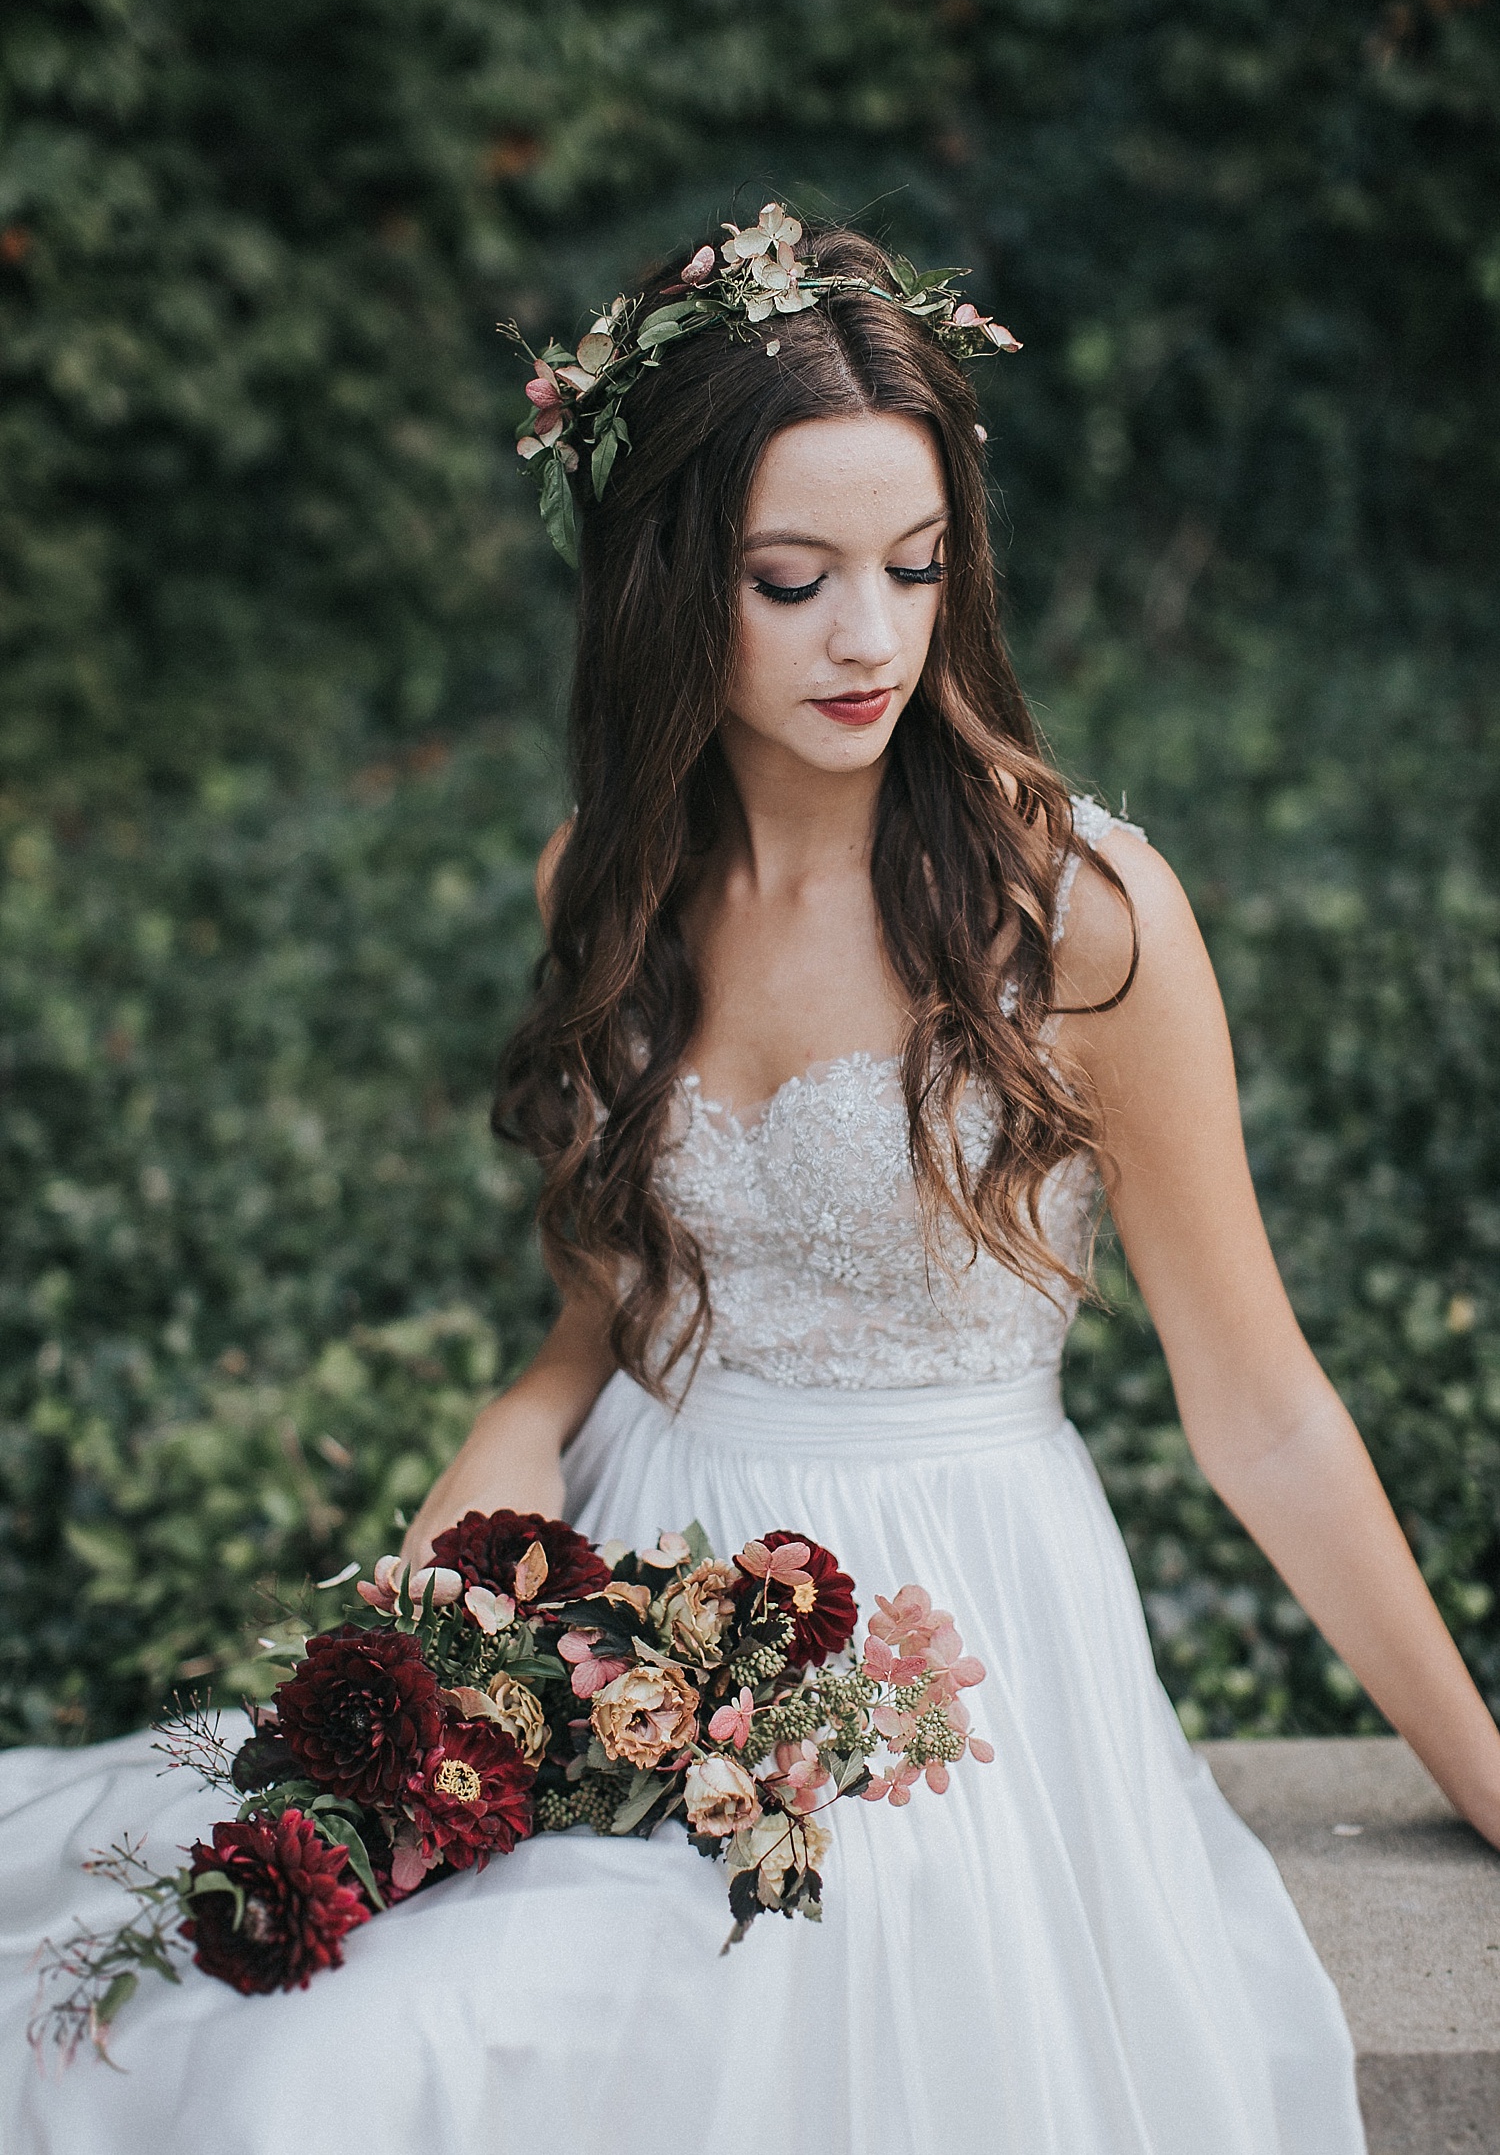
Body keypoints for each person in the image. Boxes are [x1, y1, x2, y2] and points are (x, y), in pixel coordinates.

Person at [4, 214, 1499, 2155]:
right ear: (666, 580)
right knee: (278, 2022)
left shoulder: (1083, 923)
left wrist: (1474, 1760)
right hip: (625, 1586)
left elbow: (1264, 1406)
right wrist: (513, 1439)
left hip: (943, 1643)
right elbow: (607, 1310)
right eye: (794, 582)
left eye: (916, 568)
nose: (870, 638)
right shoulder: (604, 886)